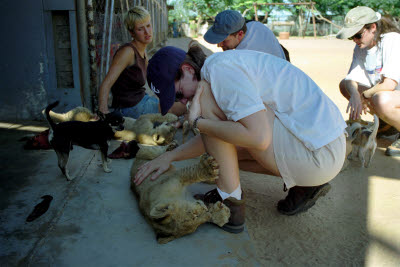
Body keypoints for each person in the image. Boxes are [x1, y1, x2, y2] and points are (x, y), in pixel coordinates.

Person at [135, 44, 347, 233]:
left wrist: (197, 122)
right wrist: (169, 157)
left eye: (179, 93)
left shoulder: (216, 73)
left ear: (188, 70)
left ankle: (230, 203)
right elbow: (219, 141)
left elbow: (258, 138)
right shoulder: (220, 66)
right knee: (224, 140)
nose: (182, 101)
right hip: (321, 152)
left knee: (204, 97)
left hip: (316, 154)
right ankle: (301, 185)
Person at [98, 7, 185, 119]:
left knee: (175, 99)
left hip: (141, 98)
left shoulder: (143, 50)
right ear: (131, 32)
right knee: (180, 107)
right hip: (129, 108)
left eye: (148, 26)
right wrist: (103, 112)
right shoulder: (127, 52)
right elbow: (106, 84)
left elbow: (153, 78)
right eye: (140, 29)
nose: (147, 32)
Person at [336, 6, 400, 156]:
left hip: (392, 93)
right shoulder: (361, 46)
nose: (354, 40)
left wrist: (362, 96)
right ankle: (388, 124)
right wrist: (354, 94)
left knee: (381, 99)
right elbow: (351, 78)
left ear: (373, 27)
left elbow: (389, 84)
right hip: (392, 95)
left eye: (357, 35)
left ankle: (391, 122)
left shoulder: (392, 41)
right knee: (345, 86)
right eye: (351, 36)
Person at [204, 10, 289, 61]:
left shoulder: (244, 56)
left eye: (224, 40)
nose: (219, 45)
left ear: (240, 34)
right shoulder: (255, 25)